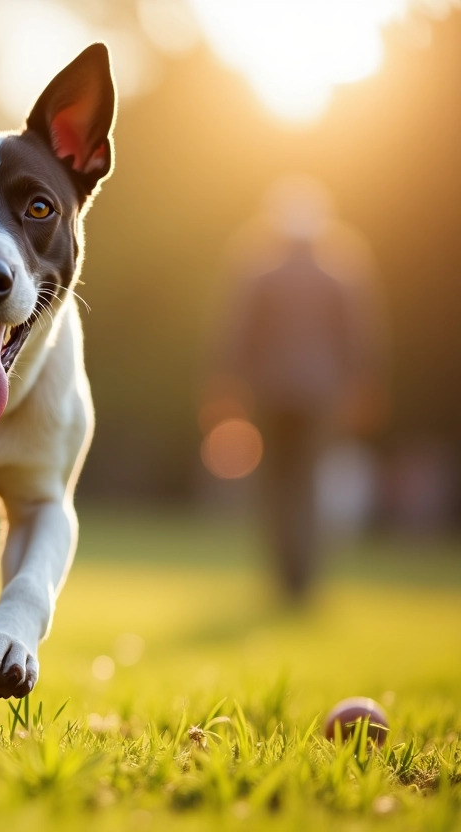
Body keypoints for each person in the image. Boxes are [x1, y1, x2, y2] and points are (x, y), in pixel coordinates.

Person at [205, 176, 385, 601]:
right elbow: (360, 337)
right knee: (306, 484)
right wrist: (364, 387)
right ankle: (302, 580)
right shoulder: (340, 270)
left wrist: (223, 389)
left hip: (269, 392)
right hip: (321, 395)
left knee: (274, 486)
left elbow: (235, 333)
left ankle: (283, 576)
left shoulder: (259, 269)